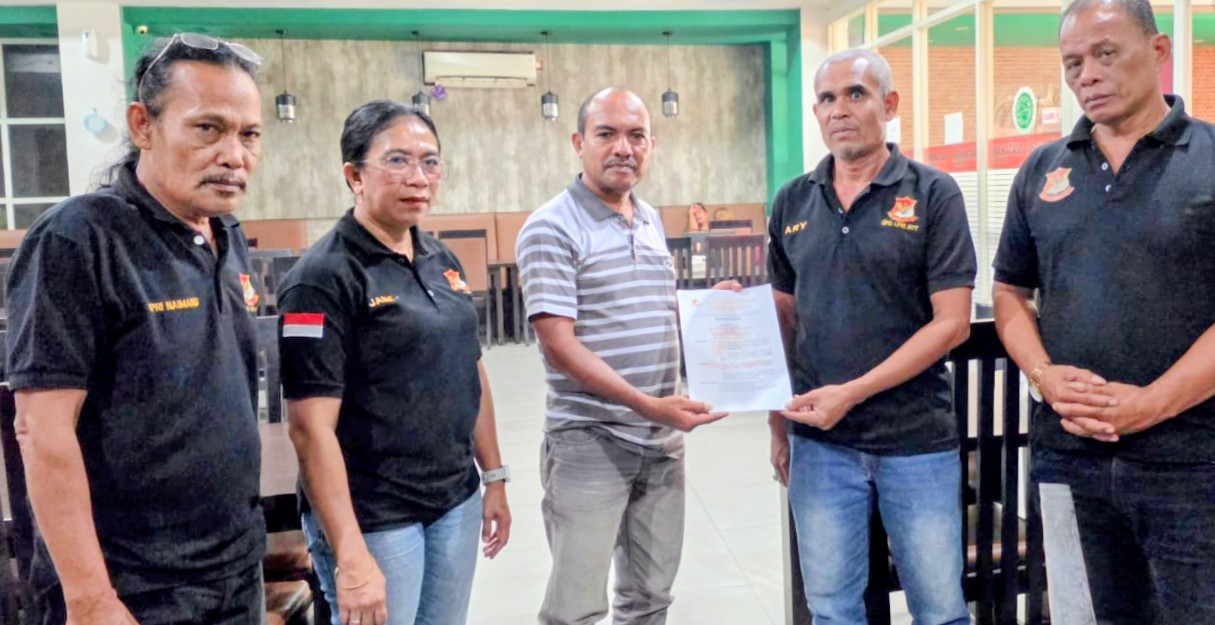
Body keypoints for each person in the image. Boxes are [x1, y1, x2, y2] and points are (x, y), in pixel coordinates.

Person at [993, 0, 1215, 624]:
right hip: (1067, 457)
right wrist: (1042, 376)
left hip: (1192, 462)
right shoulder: (1042, 169)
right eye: (1073, 63)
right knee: (1082, 616)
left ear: (1157, 50)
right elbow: (1009, 292)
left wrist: (1152, 403)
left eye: (1105, 54)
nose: (1087, 75)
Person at [8, 33, 268, 625]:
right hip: (131, 588)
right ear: (143, 125)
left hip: (233, 570)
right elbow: (41, 430)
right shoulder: (77, 238)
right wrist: (90, 598)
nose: (234, 155)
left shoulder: (225, 235)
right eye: (208, 128)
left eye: (249, 135)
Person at [278, 100, 511, 625]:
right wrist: (350, 553)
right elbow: (309, 429)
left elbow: (469, 369)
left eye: (430, 162)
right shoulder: (321, 278)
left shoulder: (441, 259)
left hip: (454, 500)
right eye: (398, 161)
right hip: (376, 516)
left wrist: (493, 476)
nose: (419, 178)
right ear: (354, 175)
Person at [768, 48, 975, 625]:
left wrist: (852, 392)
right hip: (820, 445)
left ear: (889, 104)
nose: (840, 109)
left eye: (855, 94)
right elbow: (783, 317)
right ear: (816, 112)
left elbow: (952, 322)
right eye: (827, 98)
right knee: (832, 610)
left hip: (916, 441)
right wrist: (777, 422)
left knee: (940, 611)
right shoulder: (792, 200)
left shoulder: (934, 193)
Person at [516, 87, 729, 625]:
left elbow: (652, 311)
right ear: (578, 142)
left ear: (651, 145)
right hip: (590, 440)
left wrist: (707, 311)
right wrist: (648, 405)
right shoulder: (551, 226)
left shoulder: (649, 218)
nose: (623, 148)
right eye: (606, 134)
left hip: (660, 444)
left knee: (650, 597)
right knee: (575, 609)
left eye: (637, 136)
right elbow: (559, 345)